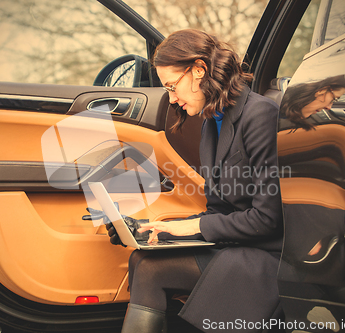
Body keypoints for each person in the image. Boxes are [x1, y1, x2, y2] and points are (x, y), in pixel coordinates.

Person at [109, 29, 284, 333]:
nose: (172, 98)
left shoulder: (260, 115)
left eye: (172, 86)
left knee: (151, 270)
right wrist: (158, 229)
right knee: (142, 257)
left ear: (199, 70)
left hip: (269, 253)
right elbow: (219, 209)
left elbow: (268, 219)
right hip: (237, 243)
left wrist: (192, 227)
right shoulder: (211, 124)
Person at [280, 75, 345, 130]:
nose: (329, 107)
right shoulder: (272, 110)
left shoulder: (281, 113)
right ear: (322, 90)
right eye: (333, 99)